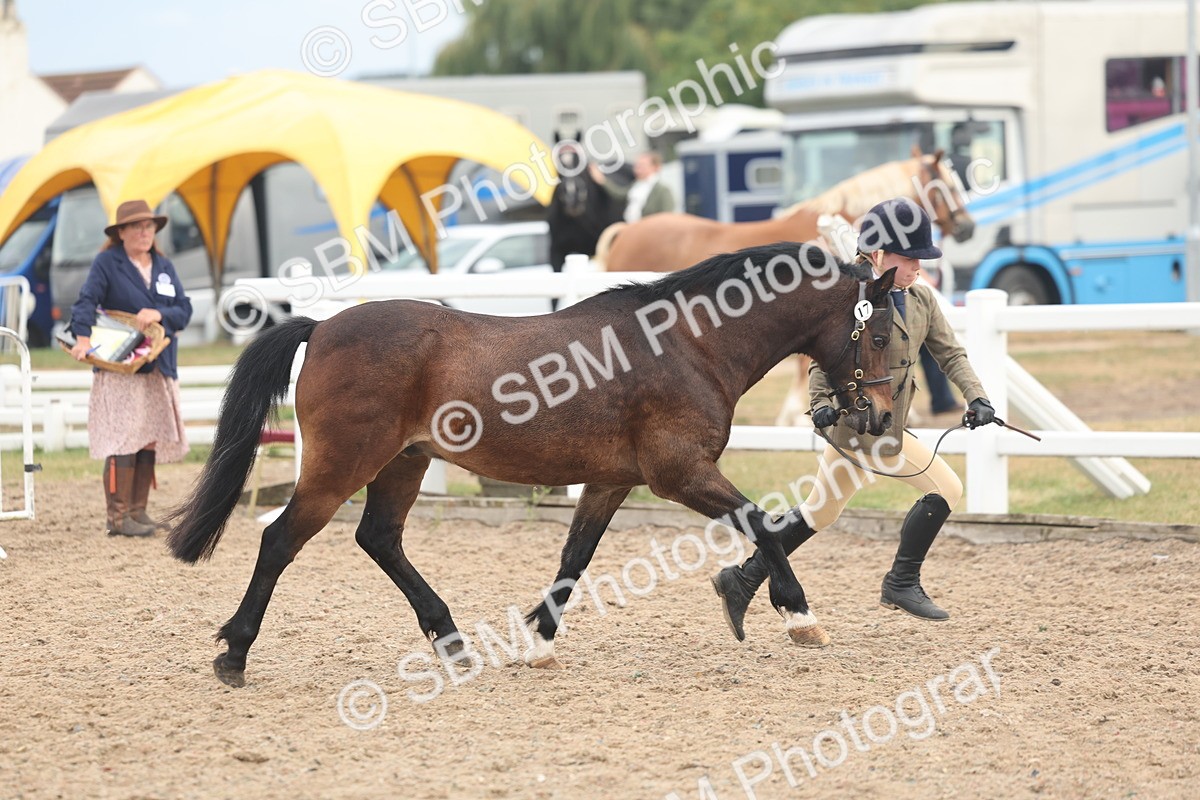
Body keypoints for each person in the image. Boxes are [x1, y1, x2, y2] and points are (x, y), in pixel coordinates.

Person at [711, 197, 995, 634]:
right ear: (878, 256)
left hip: (885, 424)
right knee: (947, 487)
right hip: (863, 427)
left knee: (818, 513)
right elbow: (826, 358)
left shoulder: (921, 301)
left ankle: (742, 578)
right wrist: (820, 404)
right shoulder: (852, 302)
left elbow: (950, 354)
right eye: (911, 259)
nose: (920, 267)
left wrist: (977, 397)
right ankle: (901, 582)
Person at [69, 199, 192, 537]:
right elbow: (85, 302)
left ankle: (138, 511)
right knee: (123, 438)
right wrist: (82, 339)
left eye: (148, 226)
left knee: (148, 438)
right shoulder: (107, 263)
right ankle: (118, 517)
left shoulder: (164, 266)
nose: (143, 231)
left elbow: (184, 308)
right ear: (120, 233)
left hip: (158, 365)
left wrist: (161, 315)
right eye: (136, 226)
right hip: (121, 367)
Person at [589, 151, 675, 222]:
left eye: (642, 166)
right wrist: (602, 180)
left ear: (655, 167)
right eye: (637, 166)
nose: (637, 169)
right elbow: (619, 194)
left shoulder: (663, 190)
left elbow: (667, 218)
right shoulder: (636, 185)